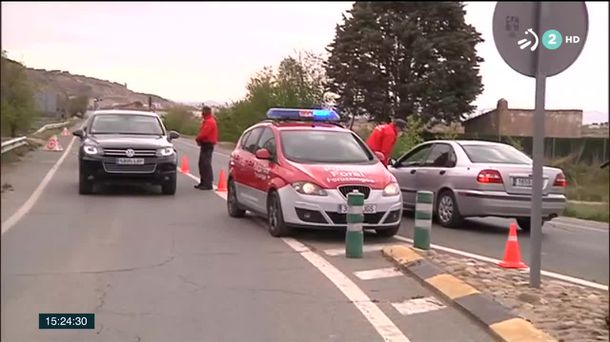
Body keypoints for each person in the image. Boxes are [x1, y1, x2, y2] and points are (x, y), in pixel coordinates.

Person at [194, 106, 218, 190]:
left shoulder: (209, 122)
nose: (202, 113)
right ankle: (203, 182)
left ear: (205, 112)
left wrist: (198, 138)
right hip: (205, 144)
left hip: (208, 144)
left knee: (205, 164)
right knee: (202, 164)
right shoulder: (207, 121)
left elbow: (204, 133)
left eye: (203, 112)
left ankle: (208, 183)